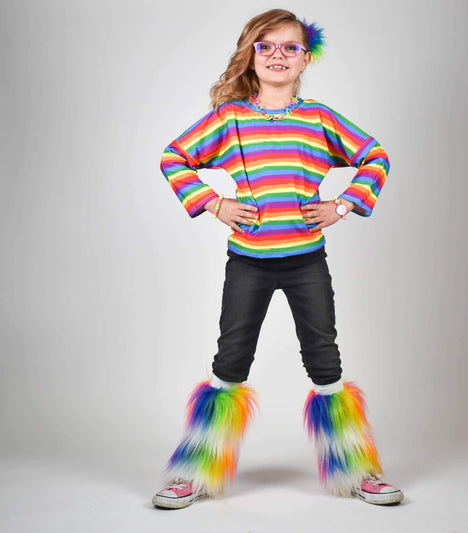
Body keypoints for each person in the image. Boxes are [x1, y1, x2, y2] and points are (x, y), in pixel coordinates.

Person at [152, 9, 403, 509]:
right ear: (251, 56)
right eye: (265, 46)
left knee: (325, 358)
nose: (277, 56)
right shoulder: (230, 119)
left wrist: (342, 205)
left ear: (306, 59)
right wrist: (215, 204)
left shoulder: (320, 119)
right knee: (230, 359)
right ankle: (194, 472)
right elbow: (173, 158)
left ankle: (357, 470)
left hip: (307, 261)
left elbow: (375, 156)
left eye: (290, 47)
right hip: (248, 262)